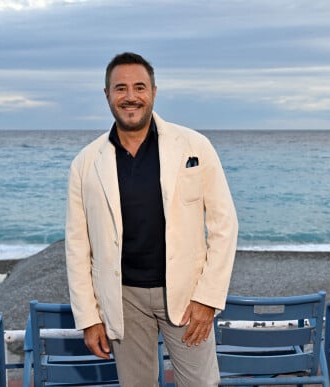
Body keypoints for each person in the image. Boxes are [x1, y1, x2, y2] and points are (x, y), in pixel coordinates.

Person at [65, 52, 238, 386]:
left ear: (154, 92)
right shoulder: (85, 163)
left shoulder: (194, 145)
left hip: (188, 296)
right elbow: (77, 247)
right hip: (123, 299)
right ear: (107, 95)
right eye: (121, 88)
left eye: (139, 87)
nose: (131, 96)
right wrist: (89, 318)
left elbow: (224, 224)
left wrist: (208, 298)